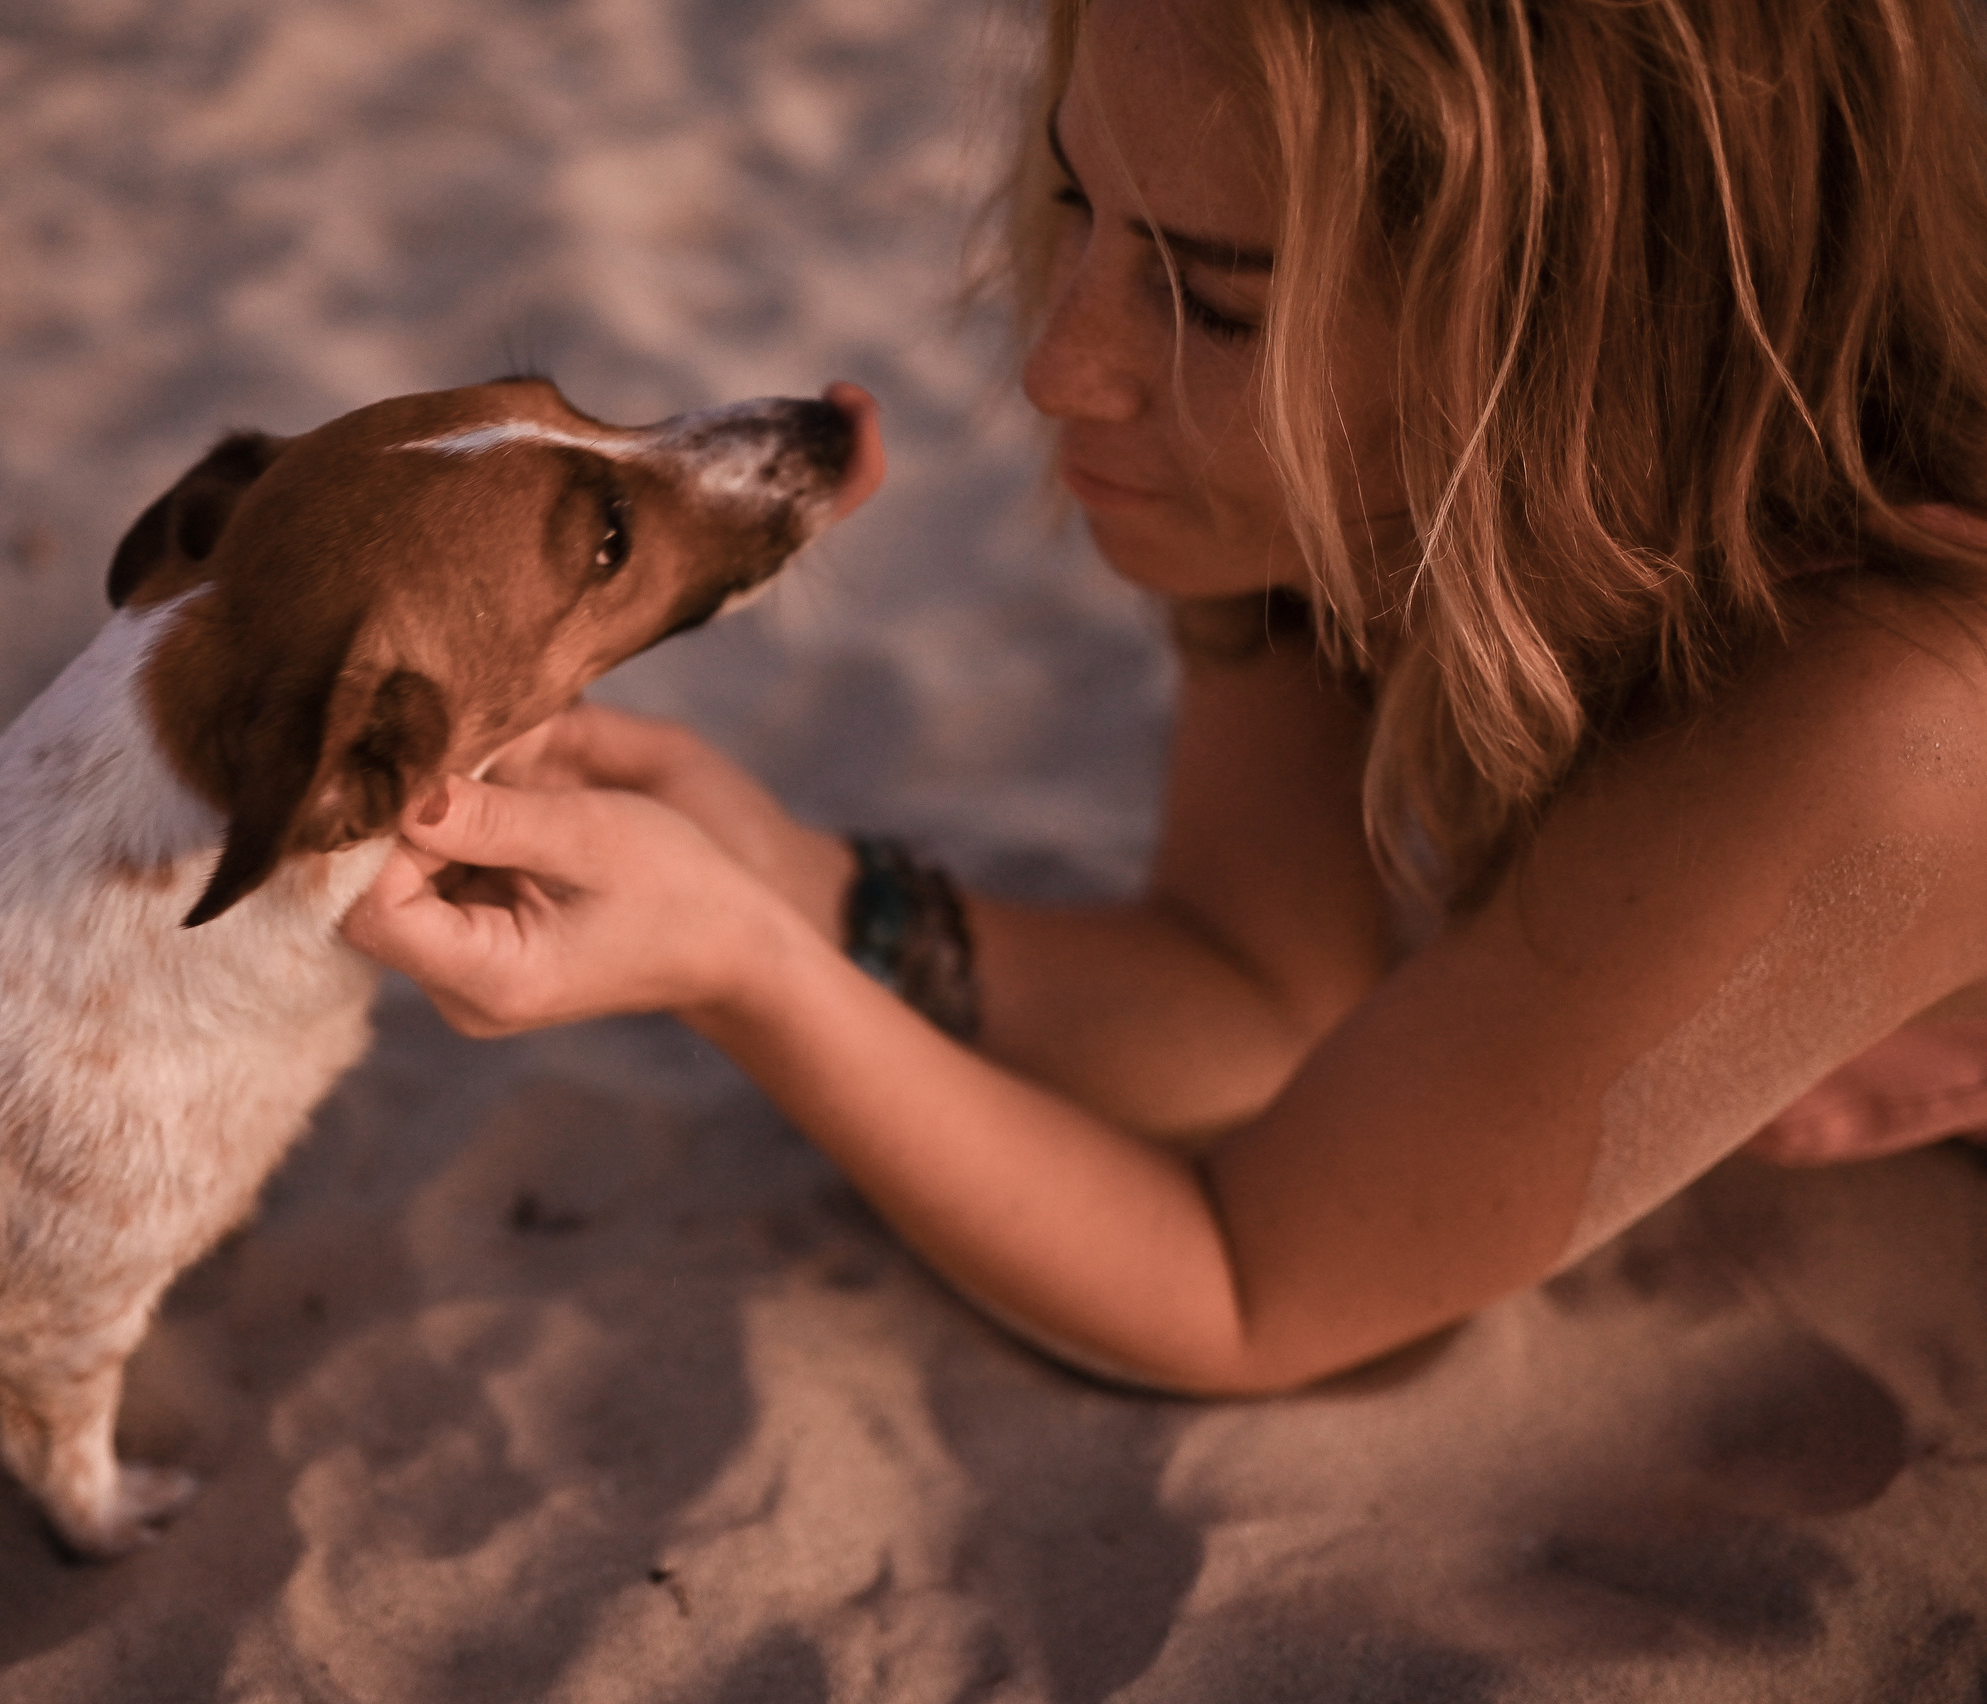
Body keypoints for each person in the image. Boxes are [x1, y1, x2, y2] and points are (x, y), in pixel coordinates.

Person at [343, 0, 1987, 1395]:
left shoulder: (1902, 713)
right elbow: (1254, 996)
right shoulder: (1373, 484)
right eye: (1079, 199)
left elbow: (1247, 1287)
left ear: (1578, 350)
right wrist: (795, 884)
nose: (1061, 362)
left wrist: (742, 969)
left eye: (1213, 298)